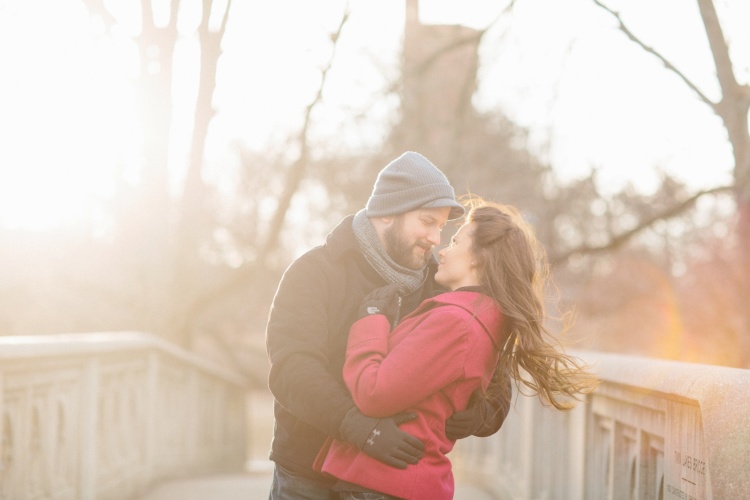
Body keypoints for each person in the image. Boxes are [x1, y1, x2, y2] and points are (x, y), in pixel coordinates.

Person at [313, 198, 599, 499]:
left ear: (479, 257)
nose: (442, 250)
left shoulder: (456, 323)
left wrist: (370, 319)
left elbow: (373, 394)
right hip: (392, 481)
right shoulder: (481, 318)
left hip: (386, 483)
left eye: (455, 240)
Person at [266, 152, 512, 499]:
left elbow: (495, 371)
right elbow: (292, 369)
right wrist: (359, 428)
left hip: (387, 481)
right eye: (427, 221)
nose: (434, 238)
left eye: (441, 227)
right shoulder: (314, 271)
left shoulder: (439, 286)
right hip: (306, 472)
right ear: (386, 213)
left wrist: (483, 413)